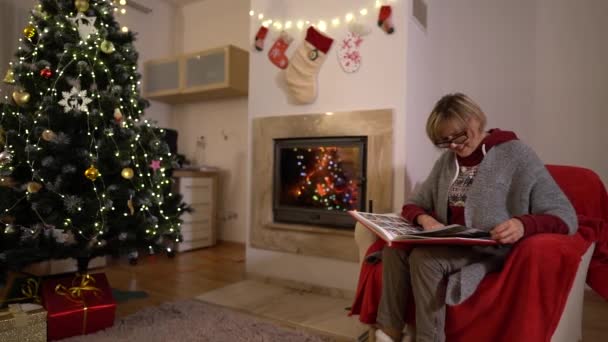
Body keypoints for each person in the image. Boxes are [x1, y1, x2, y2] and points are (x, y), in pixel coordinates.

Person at [375, 93, 577, 342]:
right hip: (450, 243)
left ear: (474, 120)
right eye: (444, 141)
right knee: (393, 250)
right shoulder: (447, 162)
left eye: (458, 136)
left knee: (424, 259)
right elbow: (414, 204)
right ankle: (389, 333)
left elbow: (563, 213)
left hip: (490, 248)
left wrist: (522, 224)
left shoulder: (516, 154)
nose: (453, 146)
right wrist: (424, 220)